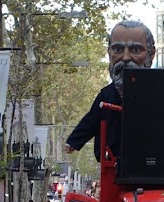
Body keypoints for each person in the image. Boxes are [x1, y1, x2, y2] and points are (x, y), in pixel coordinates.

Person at [65, 20, 156, 161]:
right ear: (109, 52)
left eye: (135, 50)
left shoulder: (159, 93)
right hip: (112, 160)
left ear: (151, 53)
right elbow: (91, 120)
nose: (126, 58)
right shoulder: (106, 94)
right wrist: (74, 141)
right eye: (118, 50)